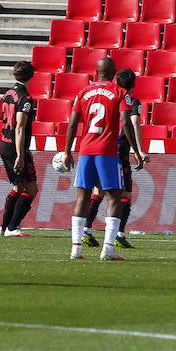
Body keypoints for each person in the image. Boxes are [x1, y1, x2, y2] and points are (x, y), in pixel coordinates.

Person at [61, 57, 133, 260]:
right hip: (107, 152)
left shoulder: (83, 92)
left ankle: (76, 248)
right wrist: (136, 148)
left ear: (96, 72)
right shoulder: (120, 92)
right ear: (114, 73)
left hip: (85, 150)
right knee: (114, 197)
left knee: (82, 197)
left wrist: (67, 151)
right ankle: (108, 249)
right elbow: (126, 123)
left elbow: (73, 124)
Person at [82, 69, 148, 250]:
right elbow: (133, 123)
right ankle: (118, 234)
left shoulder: (108, 98)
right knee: (124, 194)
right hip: (119, 152)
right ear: (133, 85)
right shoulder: (131, 101)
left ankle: (86, 229)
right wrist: (139, 150)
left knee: (98, 191)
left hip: (100, 148)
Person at [0, 61, 39, 238]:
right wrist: (21, 155)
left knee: (18, 186)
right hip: (16, 146)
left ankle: (4, 227)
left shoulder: (7, 94)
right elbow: (20, 127)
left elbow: (0, 117)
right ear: (32, 76)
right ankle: (12, 227)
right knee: (31, 189)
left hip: (4, 142)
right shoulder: (25, 99)